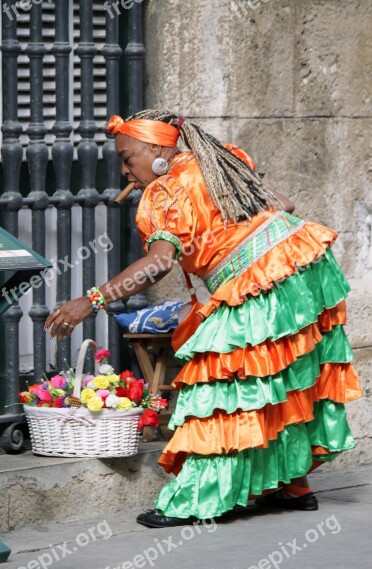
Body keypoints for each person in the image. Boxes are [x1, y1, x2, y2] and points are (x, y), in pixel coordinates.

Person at [45, 109, 362, 528]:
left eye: (127, 157)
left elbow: (157, 265)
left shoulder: (164, 192)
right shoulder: (223, 160)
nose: (125, 170)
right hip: (301, 262)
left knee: (221, 390)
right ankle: (293, 485)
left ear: (158, 149)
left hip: (261, 280)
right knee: (280, 380)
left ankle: (197, 499)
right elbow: (283, 204)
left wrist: (91, 300)